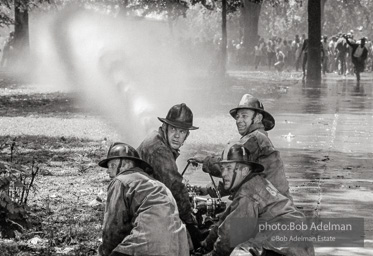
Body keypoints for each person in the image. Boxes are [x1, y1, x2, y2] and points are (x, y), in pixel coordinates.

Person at [200, 143, 314, 256]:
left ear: (244, 171)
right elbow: (225, 220)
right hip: (298, 245)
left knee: (241, 252)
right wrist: (206, 244)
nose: (224, 174)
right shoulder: (256, 182)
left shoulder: (247, 193)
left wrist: (211, 253)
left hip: (283, 246)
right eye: (222, 168)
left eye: (229, 168)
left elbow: (229, 237)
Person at [190, 94, 292, 200]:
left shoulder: (254, 139)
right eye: (237, 117)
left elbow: (231, 167)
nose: (239, 120)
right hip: (274, 201)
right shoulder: (259, 137)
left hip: (269, 205)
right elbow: (240, 177)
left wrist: (206, 160)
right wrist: (206, 190)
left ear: (258, 118)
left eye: (244, 116)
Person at [98, 142, 189, 256]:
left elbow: (113, 230)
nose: (108, 170)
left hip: (148, 248)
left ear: (126, 164)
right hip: (180, 250)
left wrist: (105, 253)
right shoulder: (158, 184)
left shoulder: (120, 180)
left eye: (112, 165)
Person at [137, 103, 202, 249]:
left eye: (182, 131)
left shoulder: (158, 139)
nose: (177, 135)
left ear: (187, 135)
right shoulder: (159, 150)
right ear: (165, 127)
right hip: (139, 210)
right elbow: (175, 186)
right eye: (173, 129)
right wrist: (190, 224)